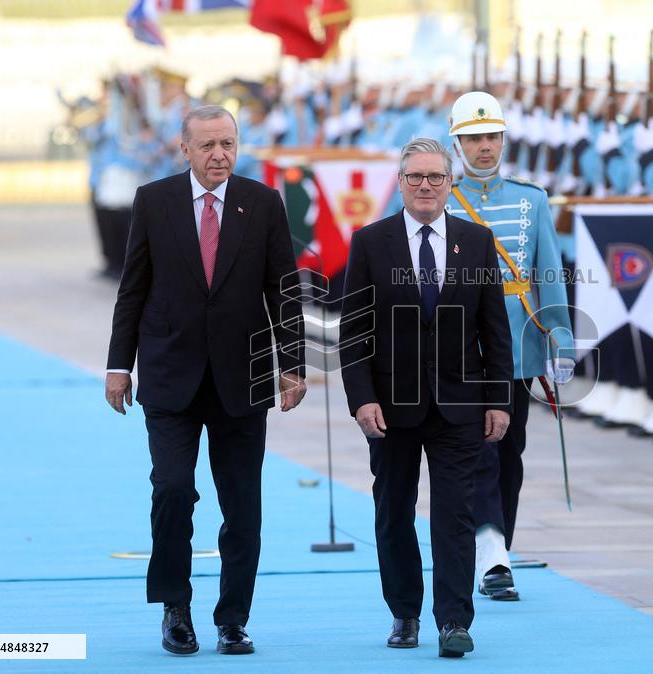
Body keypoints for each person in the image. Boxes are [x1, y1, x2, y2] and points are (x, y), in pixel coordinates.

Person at [104, 105, 306, 656]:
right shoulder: (154, 201)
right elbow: (133, 288)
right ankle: (175, 608)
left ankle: (233, 618)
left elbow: (283, 290)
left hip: (242, 379)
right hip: (170, 377)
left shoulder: (261, 203)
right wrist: (119, 364)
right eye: (209, 145)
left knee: (242, 505)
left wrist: (291, 364)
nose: (220, 154)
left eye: (229, 144)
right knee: (172, 490)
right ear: (185, 149)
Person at [339, 137, 513, 658]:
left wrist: (499, 400)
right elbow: (354, 331)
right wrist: (361, 398)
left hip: (461, 404)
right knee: (393, 511)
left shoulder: (477, 242)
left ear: (449, 183)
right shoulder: (371, 242)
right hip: (391, 406)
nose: (425, 186)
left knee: (455, 514)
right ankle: (405, 613)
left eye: (435, 177)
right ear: (400, 183)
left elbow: (494, 327)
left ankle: (454, 620)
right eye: (415, 177)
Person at [445, 91, 574, 602]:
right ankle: (492, 549)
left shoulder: (531, 199)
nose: (484, 147)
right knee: (481, 449)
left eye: (492, 137)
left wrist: (560, 335)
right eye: (474, 138)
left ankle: (496, 548)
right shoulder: (444, 196)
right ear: (458, 143)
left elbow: (548, 273)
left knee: (511, 449)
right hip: (459, 340)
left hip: (519, 341)